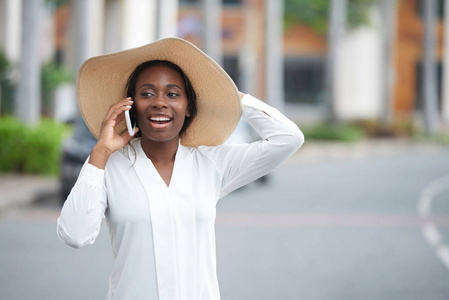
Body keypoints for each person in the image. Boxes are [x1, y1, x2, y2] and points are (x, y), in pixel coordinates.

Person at [57, 37, 304, 300]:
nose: (159, 102)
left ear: (188, 108)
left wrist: (233, 96)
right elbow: (75, 235)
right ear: (131, 107)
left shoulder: (211, 164)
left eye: (173, 94)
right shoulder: (108, 165)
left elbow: (289, 138)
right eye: (147, 93)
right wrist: (101, 151)